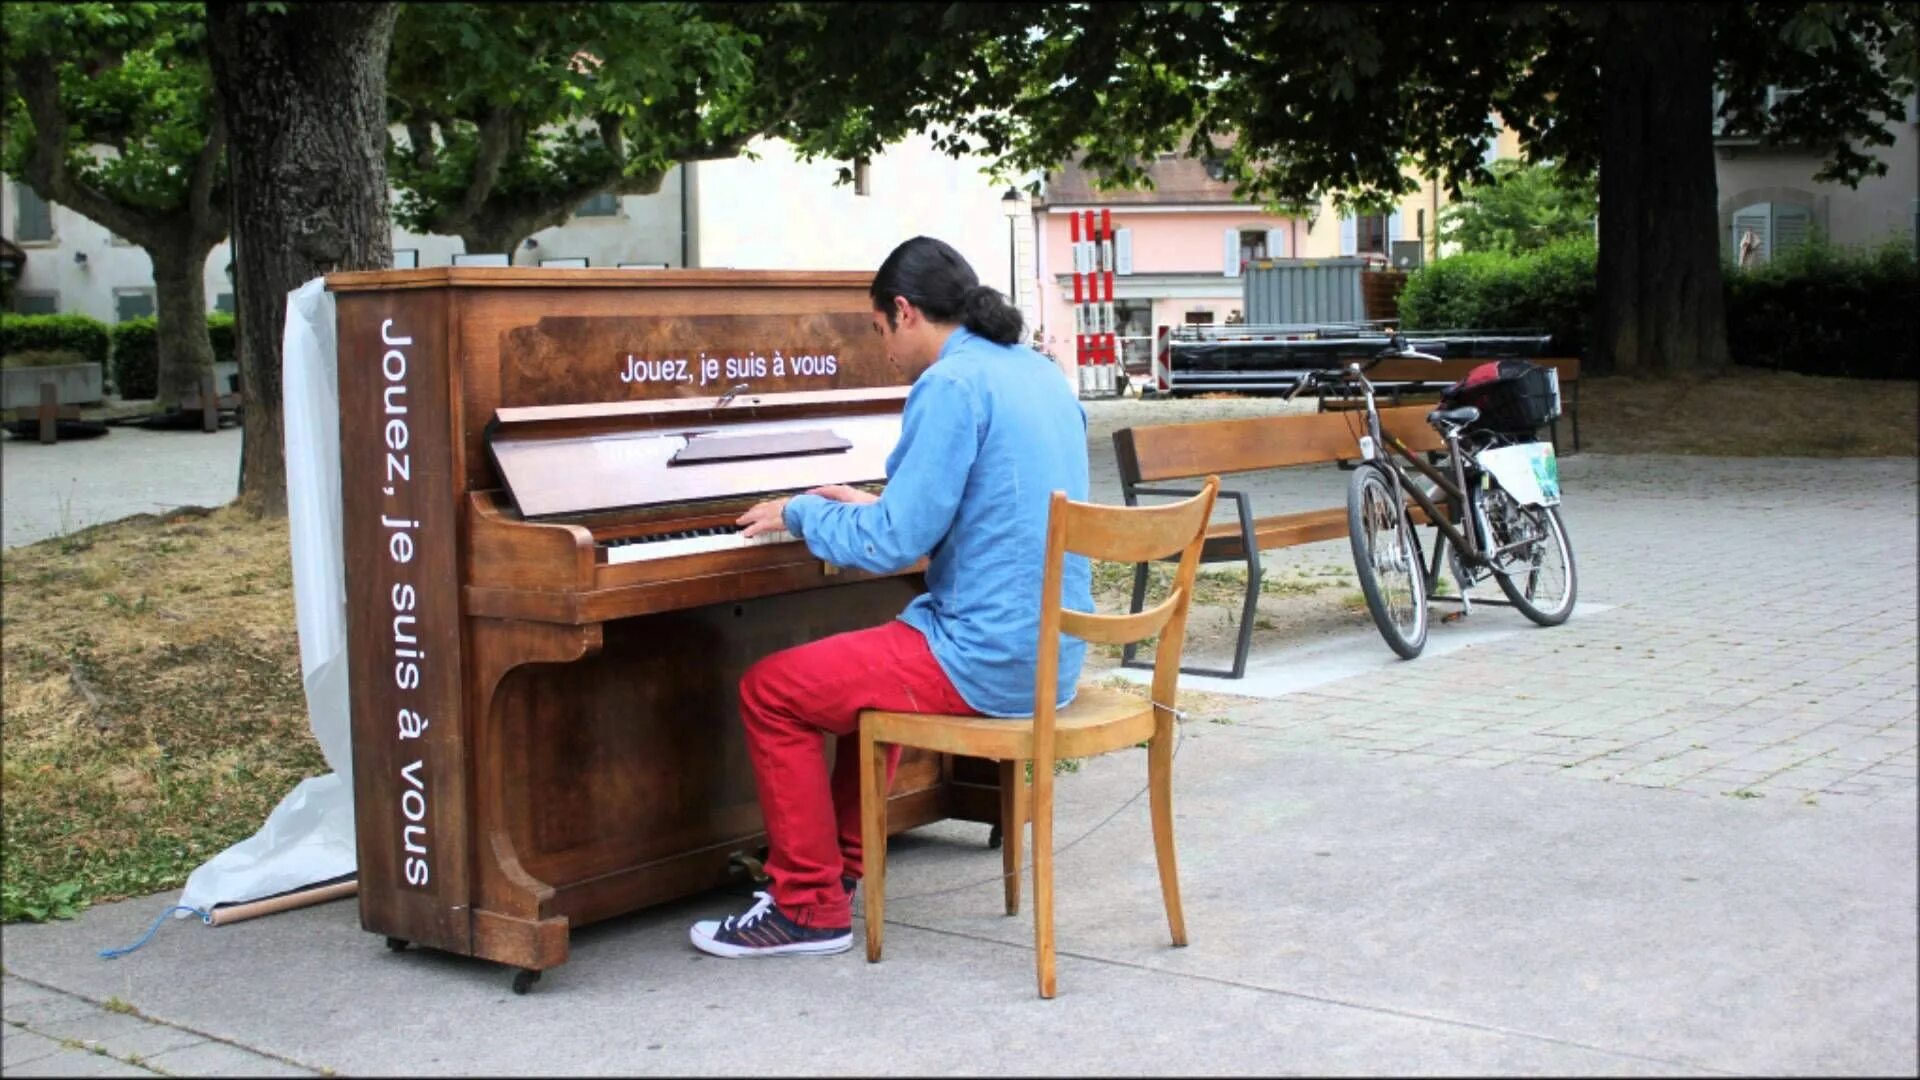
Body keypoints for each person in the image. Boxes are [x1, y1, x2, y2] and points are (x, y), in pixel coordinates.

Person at [689, 236, 1094, 958]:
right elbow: (987, 512)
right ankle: (841, 870)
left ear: (904, 311)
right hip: (1049, 654)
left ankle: (807, 908)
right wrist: (876, 505)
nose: (884, 353)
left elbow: (891, 544)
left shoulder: (949, 384)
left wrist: (801, 512)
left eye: (879, 331)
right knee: (867, 677)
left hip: (987, 660)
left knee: (770, 691)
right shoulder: (1037, 371)